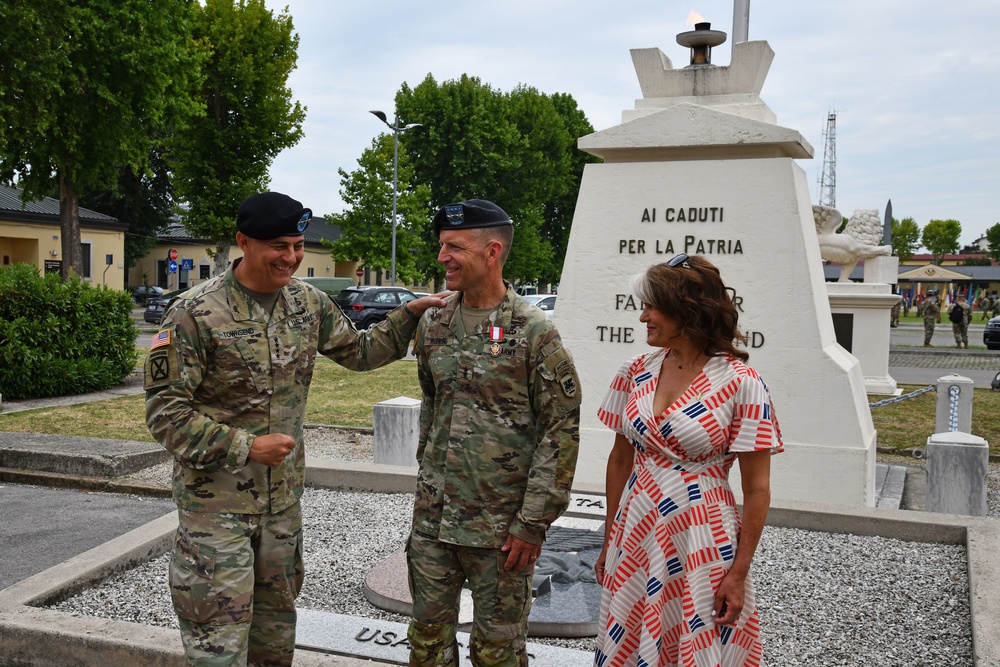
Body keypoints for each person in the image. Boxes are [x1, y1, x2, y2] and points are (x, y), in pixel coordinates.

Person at [144, 191, 444, 666]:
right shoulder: (194, 312)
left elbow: (360, 352)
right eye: (279, 246)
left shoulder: (308, 303)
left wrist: (409, 313)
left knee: (275, 643)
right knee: (217, 649)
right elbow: (165, 413)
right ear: (244, 241)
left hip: (282, 509)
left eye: (298, 245)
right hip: (216, 512)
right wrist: (245, 446)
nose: (291, 257)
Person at [406, 199, 581, 666]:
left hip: (501, 530)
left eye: (454, 247)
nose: (442, 257)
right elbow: (433, 405)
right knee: (425, 643)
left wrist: (533, 523)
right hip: (433, 521)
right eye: (442, 245)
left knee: (496, 652)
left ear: (492, 252)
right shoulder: (433, 323)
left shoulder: (534, 330)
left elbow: (560, 430)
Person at [594, 254, 783, 667]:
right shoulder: (634, 370)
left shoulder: (741, 383)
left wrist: (738, 574)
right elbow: (620, 461)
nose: (642, 316)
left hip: (700, 535)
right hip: (636, 525)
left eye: (652, 306)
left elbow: (757, 489)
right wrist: (609, 538)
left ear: (688, 310)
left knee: (694, 640)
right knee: (629, 636)